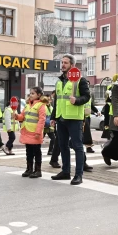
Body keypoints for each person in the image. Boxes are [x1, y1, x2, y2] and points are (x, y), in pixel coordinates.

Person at [50, 54, 91, 185]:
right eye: (62, 62)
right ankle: (65, 171)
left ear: (72, 65)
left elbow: (87, 96)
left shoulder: (80, 80)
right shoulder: (59, 81)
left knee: (78, 146)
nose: (62, 65)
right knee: (62, 146)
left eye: (65, 63)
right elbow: (57, 101)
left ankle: (78, 175)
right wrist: (53, 117)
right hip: (61, 118)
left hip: (74, 119)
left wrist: (77, 100)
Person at [15, 87, 49, 179]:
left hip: (35, 133)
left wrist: (38, 132)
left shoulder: (41, 105)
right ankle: (29, 169)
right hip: (27, 131)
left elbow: (42, 120)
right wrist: (16, 116)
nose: (31, 95)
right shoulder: (27, 105)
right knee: (29, 151)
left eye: (33, 93)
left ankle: (38, 170)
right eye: (30, 93)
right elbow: (23, 116)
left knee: (36, 151)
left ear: (39, 95)